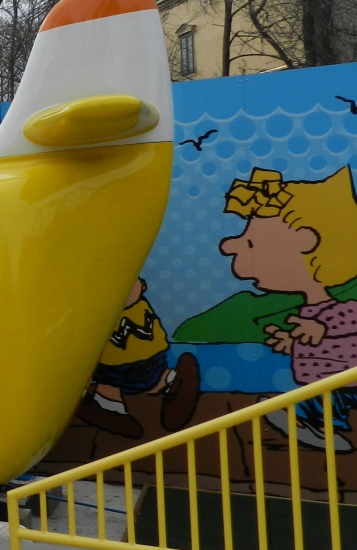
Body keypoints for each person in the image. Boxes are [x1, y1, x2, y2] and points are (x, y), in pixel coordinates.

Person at [220, 166, 357, 451]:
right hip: (322, 381)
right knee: (320, 402)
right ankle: (315, 426)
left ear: (304, 241)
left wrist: (322, 327)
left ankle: (320, 430)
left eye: (250, 242)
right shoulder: (310, 310)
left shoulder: (337, 309)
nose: (228, 247)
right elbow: (316, 341)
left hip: (341, 383)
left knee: (325, 403)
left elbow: (346, 320)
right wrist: (290, 340)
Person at [77, 277, 200, 438]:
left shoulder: (138, 308)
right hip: (111, 366)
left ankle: (172, 384)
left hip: (149, 360)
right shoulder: (99, 314)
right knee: (109, 384)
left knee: (154, 378)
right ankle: (108, 408)